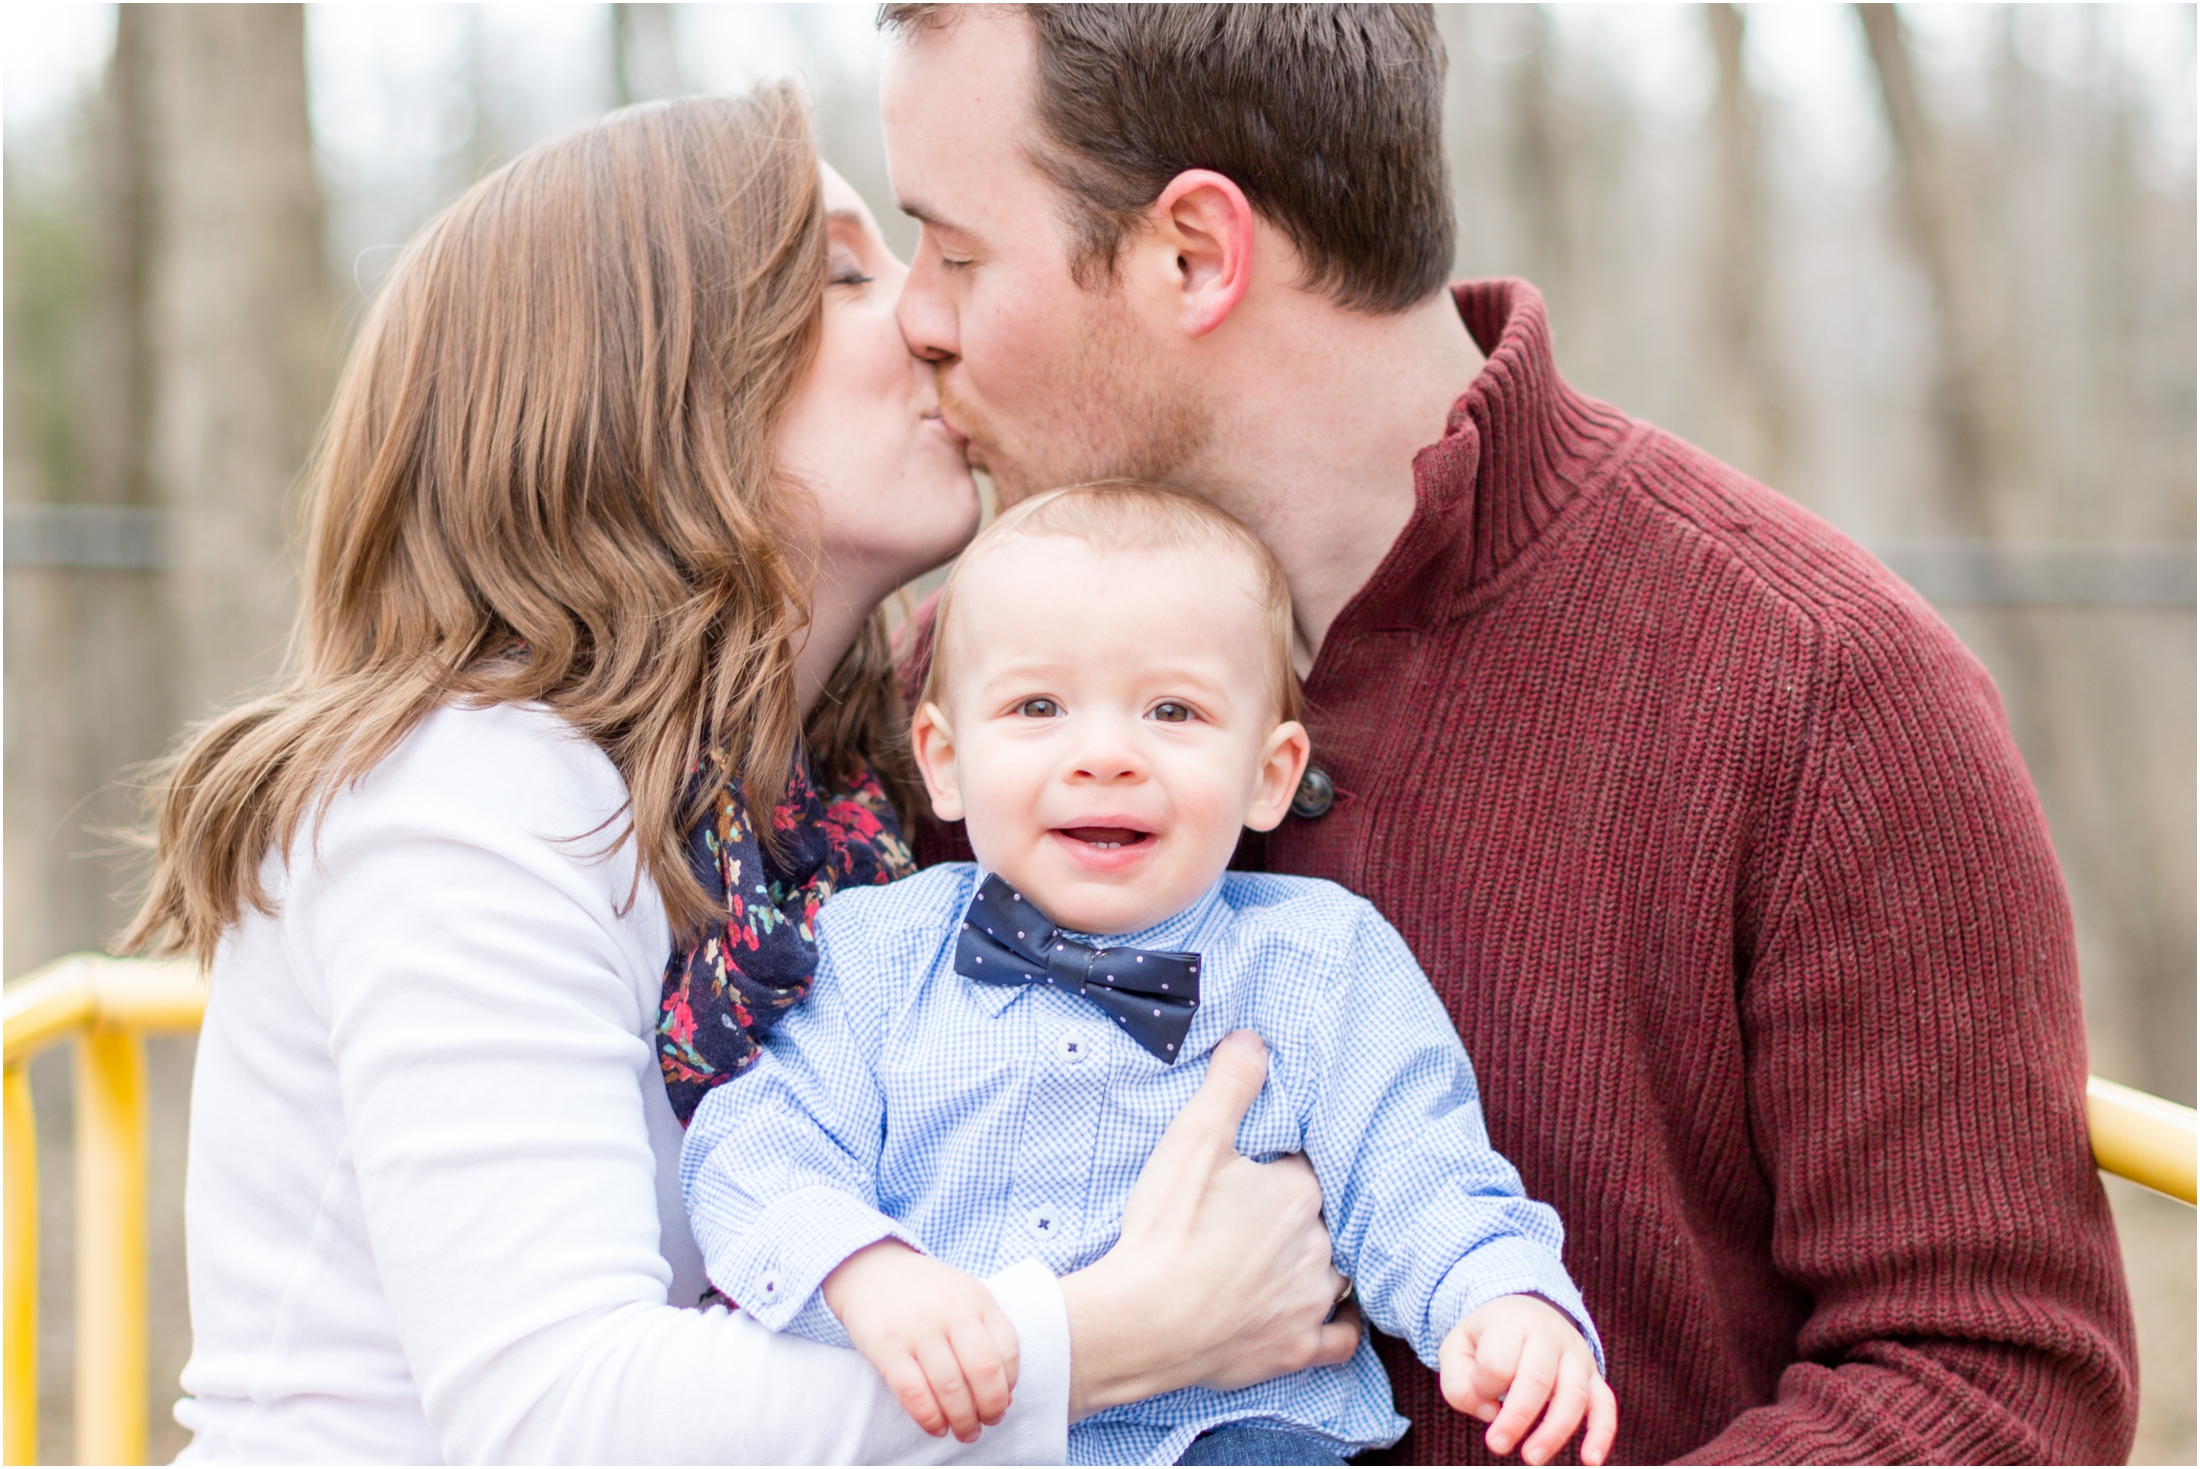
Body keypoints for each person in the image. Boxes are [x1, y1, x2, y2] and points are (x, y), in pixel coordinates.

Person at [875, 6, 2139, 1463]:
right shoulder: (957, 705)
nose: (918, 315)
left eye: (957, 252)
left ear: (1193, 255)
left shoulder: (1822, 693)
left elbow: (1994, 1380)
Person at [122, 91, 1358, 1463]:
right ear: (643, 381)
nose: (927, 317)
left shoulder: (824, 812)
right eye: (842, 271)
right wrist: (1126, 1334)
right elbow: (559, 1412)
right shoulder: (469, 792)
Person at [681, 484, 1618, 1468]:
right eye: (1037, 705)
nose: (1103, 755)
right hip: (952, 1444)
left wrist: (1502, 1299)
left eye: (1172, 708)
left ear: (1268, 774)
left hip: (1240, 1441)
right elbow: (758, 1141)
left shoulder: (1319, 965)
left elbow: (1423, 1175)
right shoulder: (874, 952)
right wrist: (862, 1269)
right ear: (944, 761)